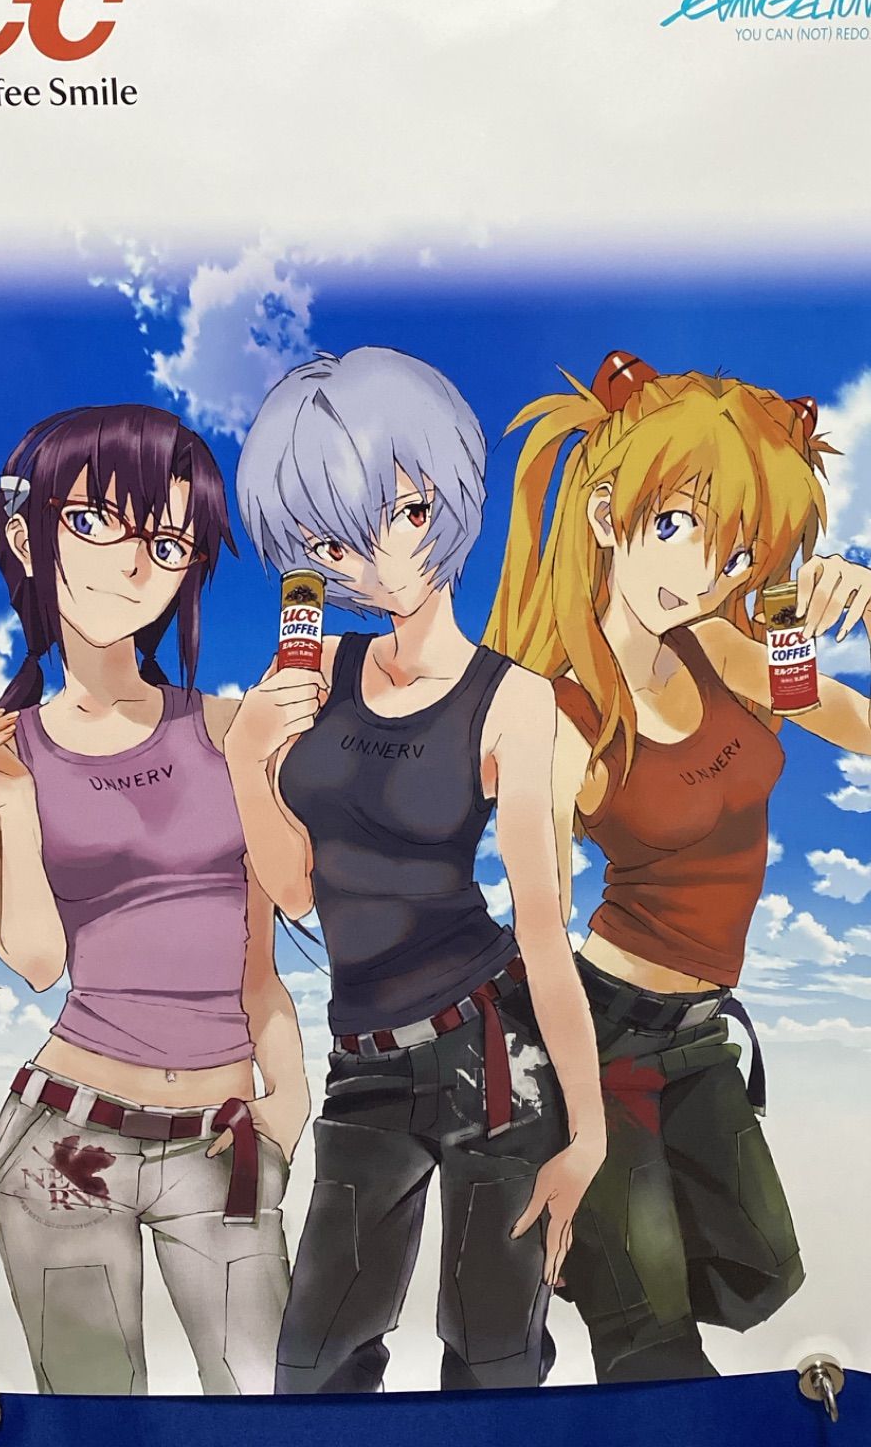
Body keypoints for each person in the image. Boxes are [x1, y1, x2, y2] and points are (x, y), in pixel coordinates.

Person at [484, 351, 871, 1381]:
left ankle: (604, 1265)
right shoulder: (563, 720)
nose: (707, 576)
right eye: (679, 528)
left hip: (697, 1038)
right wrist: (582, 1128)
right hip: (599, 1037)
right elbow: (541, 936)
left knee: (760, 1274)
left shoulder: (722, 651)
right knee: (650, 1339)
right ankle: (600, 1274)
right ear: (608, 516)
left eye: (736, 554)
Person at [0, 404, 307, 1396]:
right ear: (28, 540)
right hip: (63, 1143)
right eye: (96, 523)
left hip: (223, 1139)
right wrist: (9, 804)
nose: (134, 564)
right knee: (99, 1419)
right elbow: (35, 962)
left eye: (169, 541)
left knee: (269, 1403)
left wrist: (290, 1098)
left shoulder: (227, 726)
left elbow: (267, 942)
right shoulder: (4, 753)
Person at [225, 346, 606, 1393]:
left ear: (446, 499)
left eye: (400, 513)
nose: (375, 559)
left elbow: (542, 931)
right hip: (364, 1061)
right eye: (330, 542)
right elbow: (296, 891)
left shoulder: (513, 698)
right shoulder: (310, 671)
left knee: (493, 1356)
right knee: (313, 1363)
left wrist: (587, 1133)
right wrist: (245, 759)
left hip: (491, 1052)